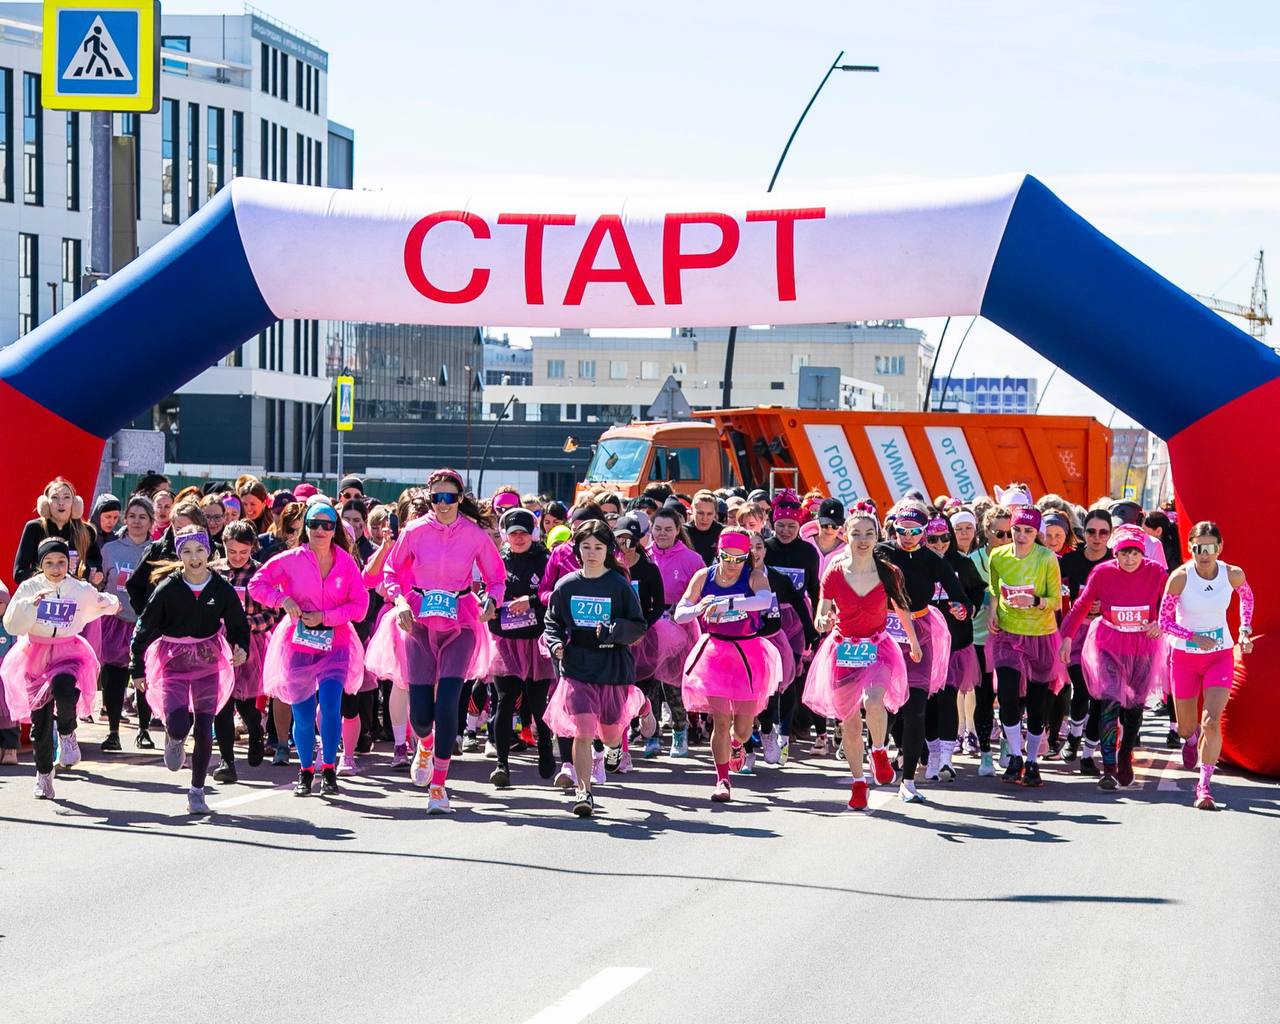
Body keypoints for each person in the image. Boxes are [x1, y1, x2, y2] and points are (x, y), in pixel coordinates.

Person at [367, 469, 503, 814]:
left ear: (460, 498)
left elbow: (496, 578)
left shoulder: (474, 535)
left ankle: (439, 787)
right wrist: (400, 601)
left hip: (461, 621)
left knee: (447, 704)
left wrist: (491, 600)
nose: (443, 504)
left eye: (449, 497)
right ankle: (424, 745)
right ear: (429, 499)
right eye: (437, 497)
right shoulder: (413, 531)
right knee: (421, 715)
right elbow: (391, 572)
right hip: (419, 620)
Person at [249, 500, 369, 798]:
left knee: (330, 706)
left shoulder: (346, 562)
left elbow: (360, 606)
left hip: (336, 644)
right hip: (298, 644)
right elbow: (256, 584)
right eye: (314, 524)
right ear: (306, 527)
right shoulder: (290, 559)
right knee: (301, 714)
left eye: (327, 525)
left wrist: (326, 617)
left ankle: (328, 768)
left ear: (334, 529)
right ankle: (304, 770)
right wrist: (282, 600)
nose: (320, 530)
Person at [130, 527, 249, 814]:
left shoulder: (221, 587)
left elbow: (238, 623)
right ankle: (174, 737)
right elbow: (143, 626)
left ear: (209, 552)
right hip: (173, 659)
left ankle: (197, 792)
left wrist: (241, 646)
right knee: (179, 722)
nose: (194, 557)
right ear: (179, 555)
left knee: (205, 728)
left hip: (208, 657)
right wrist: (136, 667)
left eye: (199, 550)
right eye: (186, 551)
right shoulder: (168, 588)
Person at [806, 507, 917, 807]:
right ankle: (858, 783)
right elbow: (821, 610)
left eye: (869, 533)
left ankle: (879, 750)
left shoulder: (889, 572)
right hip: (843, 650)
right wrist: (822, 621)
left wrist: (914, 641)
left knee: (874, 700)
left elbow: (902, 606)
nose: (863, 540)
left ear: (877, 536)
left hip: (878, 647)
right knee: (850, 725)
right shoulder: (833, 573)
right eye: (856, 534)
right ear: (846, 535)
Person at [543, 519, 649, 816]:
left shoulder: (618, 584)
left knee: (611, 734)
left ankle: (639, 705)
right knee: (584, 731)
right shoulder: (567, 585)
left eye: (598, 547)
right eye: (586, 547)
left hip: (612, 666)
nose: (591, 553)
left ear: (608, 551)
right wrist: (556, 644)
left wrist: (613, 631)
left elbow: (638, 625)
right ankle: (584, 791)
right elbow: (552, 622)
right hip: (577, 666)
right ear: (577, 549)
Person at [2, 539, 119, 798]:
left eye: (61, 562)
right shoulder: (29, 587)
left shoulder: (78, 588)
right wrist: (29, 605)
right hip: (35, 655)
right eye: (49, 563)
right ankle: (44, 775)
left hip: (68, 651)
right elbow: (12, 624)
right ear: (40, 564)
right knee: (40, 724)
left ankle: (67, 733)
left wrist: (111, 603)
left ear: (69, 563)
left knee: (64, 687)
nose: (56, 568)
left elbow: (100, 601)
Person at [675, 529, 781, 802]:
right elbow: (679, 613)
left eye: (739, 558)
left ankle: (736, 744)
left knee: (743, 729)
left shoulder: (754, 577)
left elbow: (764, 600)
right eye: (727, 557)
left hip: (748, 653)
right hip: (716, 653)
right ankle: (722, 780)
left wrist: (725, 603)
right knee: (721, 721)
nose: (733, 564)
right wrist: (699, 608)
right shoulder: (704, 576)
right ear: (718, 553)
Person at [1058, 524, 1167, 789]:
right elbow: (1081, 605)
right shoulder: (1103, 572)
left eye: (1135, 553)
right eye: (1124, 553)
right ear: (1115, 553)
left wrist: (1161, 623)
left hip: (1143, 646)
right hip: (1109, 643)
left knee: (1134, 707)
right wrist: (1067, 637)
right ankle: (1108, 767)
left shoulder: (1156, 572)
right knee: (1110, 702)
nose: (1129, 559)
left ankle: (1125, 754)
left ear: (1143, 554)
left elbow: (1171, 604)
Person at [1160, 521, 1254, 810]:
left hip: (1220, 656)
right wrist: (1193, 637)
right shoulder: (1180, 578)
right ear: (1190, 548)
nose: (1204, 553)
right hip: (1185, 658)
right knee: (1186, 728)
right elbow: (1164, 621)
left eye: (1210, 547)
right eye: (1198, 548)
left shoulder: (1232, 574)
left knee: (1212, 721)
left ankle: (1204, 786)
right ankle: (1190, 741)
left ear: (1220, 548)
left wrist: (1244, 630)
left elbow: (1247, 597)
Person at [878, 503, 967, 795]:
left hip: (921, 633)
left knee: (916, 709)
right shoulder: (882, 553)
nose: (907, 537)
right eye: (902, 531)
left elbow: (959, 595)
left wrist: (961, 608)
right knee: (883, 705)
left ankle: (908, 781)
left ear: (924, 532)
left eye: (915, 531)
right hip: (886, 633)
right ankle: (878, 752)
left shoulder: (932, 559)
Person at [987, 506, 1062, 788]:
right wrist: (993, 611)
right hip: (1007, 635)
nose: (1020, 536)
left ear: (1036, 533)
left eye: (1028, 531)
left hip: (1040, 636)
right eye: (1016, 529)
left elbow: (1056, 601)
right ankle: (1015, 757)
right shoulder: (998, 556)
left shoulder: (1046, 558)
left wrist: (1034, 601)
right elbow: (994, 589)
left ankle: (1032, 761)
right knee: (1007, 696)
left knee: (1036, 701)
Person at [487, 507, 555, 786]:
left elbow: (553, 593)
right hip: (506, 640)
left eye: (524, 533)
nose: (518, 538)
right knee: (504, 700)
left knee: (538, 704)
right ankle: (501, 764)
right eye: (513, 533)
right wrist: (488, 604)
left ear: (534, 534)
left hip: (535, 640)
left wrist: (531, 601)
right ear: (505, 534)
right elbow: (487, 588)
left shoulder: (545, 560)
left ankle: (545, 747)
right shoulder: (497, 560)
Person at [211, 520, 275, 783]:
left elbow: (271, 613)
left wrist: (245, 624)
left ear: (252, 549)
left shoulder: (260, 574)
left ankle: (256, 730)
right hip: (217, 644)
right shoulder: (214, 571)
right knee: (221, 704)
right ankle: (226, 761)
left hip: (249, 644)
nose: (237, 557)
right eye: (232, 551)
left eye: (243, 552)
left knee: (245, 703)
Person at [923, 516, 986, 782]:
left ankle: (947, 760)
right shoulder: (917, 562)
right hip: (924, 646)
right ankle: (932, 756)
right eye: (933, 539)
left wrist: (968, 609)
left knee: (948, 698)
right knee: (927, 702)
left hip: (955, 643)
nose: (939, 544)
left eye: (945, 538)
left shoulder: (962, 563)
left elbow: (977, 592)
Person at [1056, 509, 1114, 775]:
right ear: (1084, 533)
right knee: (1082, 687)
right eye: (1091, 531)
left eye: (1103, 532)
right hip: (1076, 634)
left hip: (1106, 635)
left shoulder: (1116, 561)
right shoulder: (1070, 561)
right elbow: (1057, 594)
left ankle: (1089, 754)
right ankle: (1073, 735)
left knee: (1100, 695)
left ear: (1110, 535)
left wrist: (1105, 606)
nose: (1097, 537)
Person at [98, 495, 157, 750]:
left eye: (142, 517)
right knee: (114, 678)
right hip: (115, 623)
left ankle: (144, 730)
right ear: (125, 518)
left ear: (151, 522)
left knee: (144, 678)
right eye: (132, 516)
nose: (136, 521)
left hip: (146, 624)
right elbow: (99, 584)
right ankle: (113, 732)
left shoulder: (157, 550)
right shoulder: (110, 549)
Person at [613, 513, 671, 761]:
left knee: (643, 689)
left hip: (645, 637)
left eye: (630, 540)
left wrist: (641, 629)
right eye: (620, 539)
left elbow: (658, 604)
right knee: (618, 691)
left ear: (638, 541)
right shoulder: (610, 568)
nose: (624, 545)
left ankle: (650, 730)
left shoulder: (649, 569)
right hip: (617, 636)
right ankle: (621, 747)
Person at [967, 506, 1007, 776]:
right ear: (986, 532)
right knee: (983, 699)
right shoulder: (973, 561)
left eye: (1009, 533)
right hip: (980, 638)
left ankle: (1007, 744)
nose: (1006, 539)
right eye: (999, 533)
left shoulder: (1019, 557)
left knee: (1010, 697)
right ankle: (985, 754)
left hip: (1012, 638)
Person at [13, 477, 103, 586]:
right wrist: (50, 571)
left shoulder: (86, 531)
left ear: (75, 503)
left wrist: (95, 574)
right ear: (45, 503)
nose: (61, 503)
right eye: (55, 497)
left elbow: (95, 564)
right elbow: (19, 574)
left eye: (66, 497)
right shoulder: (34, 528)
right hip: (43, 592)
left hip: (75, 593)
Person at [687, 489, 724, 566]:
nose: (705, 518)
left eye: (709, 514)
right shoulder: (683, 532)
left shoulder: (723, 532)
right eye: (700, 513)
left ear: (715, 513)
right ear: (691, 510)